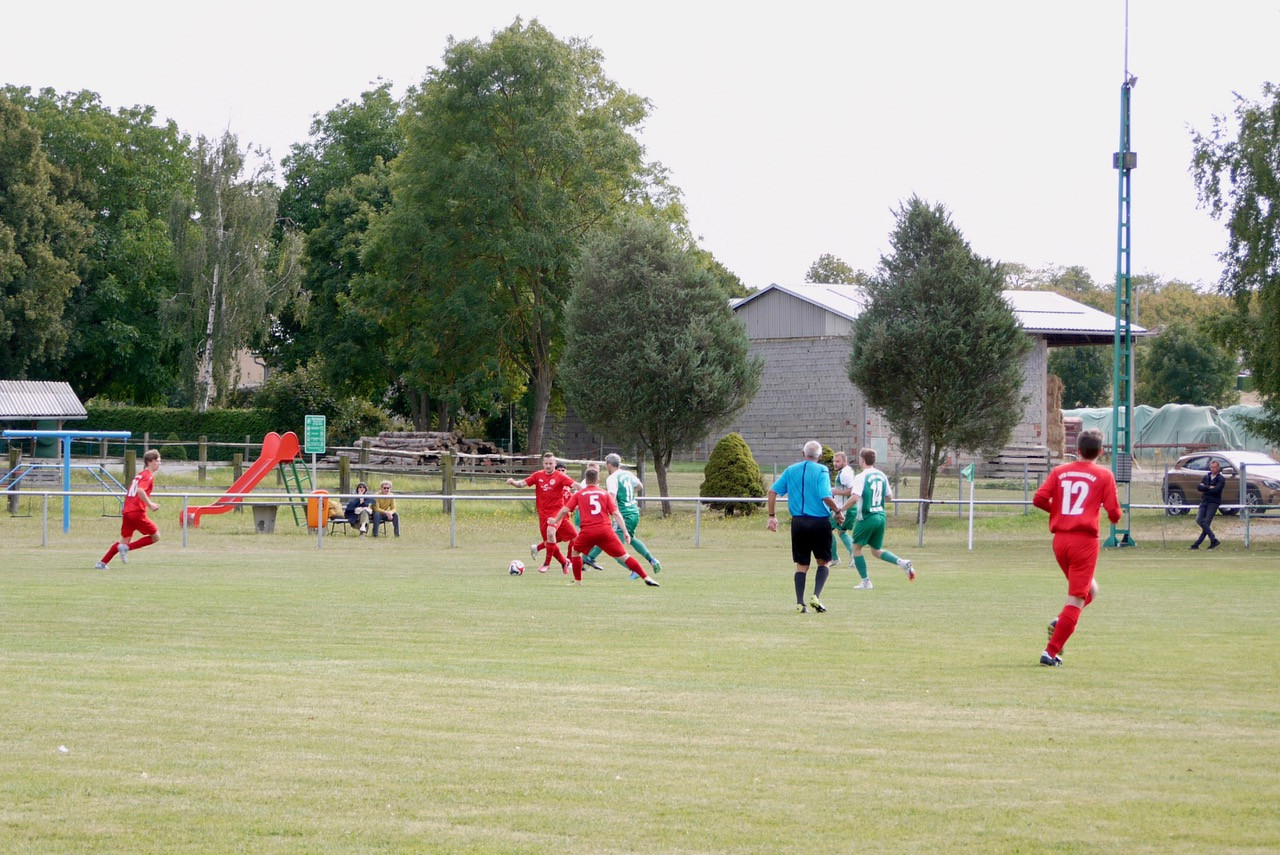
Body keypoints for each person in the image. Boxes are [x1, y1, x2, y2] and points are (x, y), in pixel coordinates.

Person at [1031, 428, 1122, 667]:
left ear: (1077, 450)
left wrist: (1061, 513)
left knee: (1091, 590)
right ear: (1100, 452)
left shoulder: (1060, 471)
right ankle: (1050, 653)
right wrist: (1115, 513)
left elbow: (1039, 499)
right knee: (1076, 599)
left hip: (1060, 541)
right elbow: (1114, 514)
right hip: (1084, 542)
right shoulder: (1104, 475)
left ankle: (1060, 622)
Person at [547, 466, 660, 587]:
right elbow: (616, 513)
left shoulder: (579, 494)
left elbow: (565, 510)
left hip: (588, 532)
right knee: (624, 556)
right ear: (598, 481)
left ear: (586, 479)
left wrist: (555, 520)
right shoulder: (605, 494)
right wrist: (625, 531)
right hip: (605, 531)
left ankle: (578, 581)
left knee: (575, 552)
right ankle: (646, 577)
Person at [766, 440, 844, 613]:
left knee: (802, 564)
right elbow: (825, 496)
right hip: (819, 522)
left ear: (803, 454)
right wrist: (838, 511)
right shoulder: (822, 470)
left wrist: (772, 516)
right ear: (821, 456)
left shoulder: (791, 470)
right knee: (824, 562)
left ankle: (800, 604)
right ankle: (816, 596)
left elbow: (772, 491)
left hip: (799, 523)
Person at [839, 447, 915, 589]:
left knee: (856, 548)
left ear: (862, 460)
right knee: (876, 551)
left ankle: (866, 581)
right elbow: (889, 497)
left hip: (867, 517)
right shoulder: (881, 475)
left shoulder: (861, 477)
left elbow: (854, 498)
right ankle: (902, 563)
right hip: (880, 516)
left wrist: (840, 510)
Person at [587, 453, 661, 577]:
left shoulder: (612, 478)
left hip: (623, 515)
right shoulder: (628, 474)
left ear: (609, 465)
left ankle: (634, 570)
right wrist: (629, 493)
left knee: (615, 548)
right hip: (634, 512)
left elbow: (611, 498)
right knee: (631, 539)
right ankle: (652, 560)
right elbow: (639, 486)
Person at [506, 452, 577, 573]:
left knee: (554, 533)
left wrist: (589, 491)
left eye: (551, 463)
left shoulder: (560, 477)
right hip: (543, 514)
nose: (548, 466)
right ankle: (564, 562)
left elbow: (575, 485)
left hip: (557, 512)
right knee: (550, 541)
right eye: (546, 463)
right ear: (543, 463)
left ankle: (547, 564)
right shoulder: (538, 475)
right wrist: (513, 482)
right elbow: (522, 484)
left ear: (554, 464)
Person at [96, 449, 162, 569]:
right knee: (156, 536)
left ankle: (102, 563)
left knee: (124, 540)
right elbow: (140, 490)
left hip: (127, 511)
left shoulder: (140, 475)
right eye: (157, 461)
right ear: (150, 461)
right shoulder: (148, 476)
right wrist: (151, 504)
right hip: (137, 512)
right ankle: (127, 548)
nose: (159, 463)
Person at [829, 450, 857, 569]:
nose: (835, 463)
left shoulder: (845, 474)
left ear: (844, 462)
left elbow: (852, 491)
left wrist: (835, 491)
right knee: (840, 532)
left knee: (828, 530)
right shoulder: (845, 471)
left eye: (838, 461)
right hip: (843, 507)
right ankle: (838, 557)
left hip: (845, 508)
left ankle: (836, 558)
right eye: (834, 461)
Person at [1190, 459, 1224, 550]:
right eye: (1211, 467)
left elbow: (1216, 490)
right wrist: (1209, 487)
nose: (1213, 469)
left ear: (1218, 468)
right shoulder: (1206, 477)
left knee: (1206, 523)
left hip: (1213, 503)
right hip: (1204, 501)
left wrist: (1205, 488)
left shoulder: (1221, 478)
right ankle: (1213, 539)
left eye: (1215, 467)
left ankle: (1196, 544)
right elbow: (1199, 487)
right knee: (1199, 519)